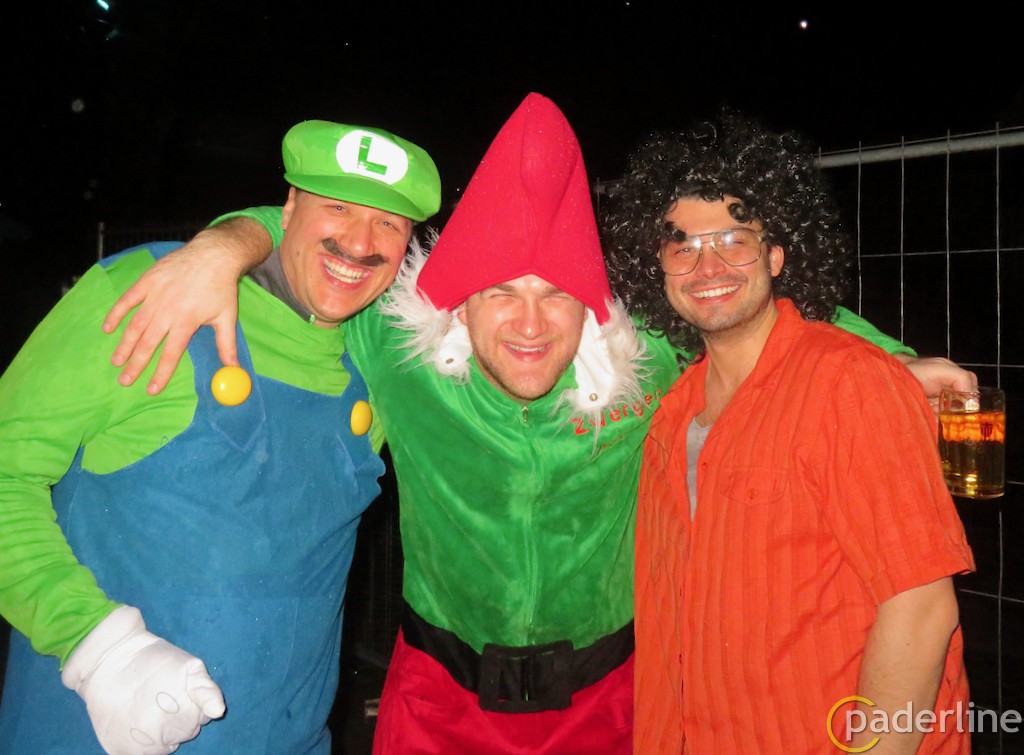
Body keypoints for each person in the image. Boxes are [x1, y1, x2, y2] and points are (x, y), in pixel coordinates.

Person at [98, 94, 973, 754]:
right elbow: (324, 248)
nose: (528, 323)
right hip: (436, 707)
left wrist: (892, 357)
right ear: (456, 304)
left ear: (593, 310)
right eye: (499, 293)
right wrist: (221, 245)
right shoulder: (399, 353)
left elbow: (749, 304)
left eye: (556, 294)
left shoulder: (647, 365)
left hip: (611, 709)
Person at [0, 119, 441, 754]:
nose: (359, 242)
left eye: (388, 224)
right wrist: (94, 644)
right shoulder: (153, 291)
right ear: (289, 206)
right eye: (337, 207)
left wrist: (236, 238)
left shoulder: (382, 357)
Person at [603, 111, 975, 754]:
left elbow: (920, 608)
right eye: (682, 246)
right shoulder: (669, 416)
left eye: (734, 240)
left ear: (775, 256)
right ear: (657, 268)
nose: (707, 265)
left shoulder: (850, 382)